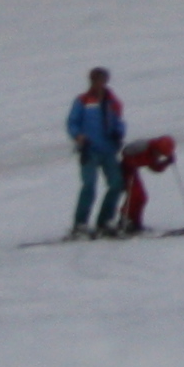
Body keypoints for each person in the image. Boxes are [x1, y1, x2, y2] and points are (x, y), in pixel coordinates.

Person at [66, 68, 128, 239]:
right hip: (89, 150)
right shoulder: (82, 100)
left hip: (108, 150)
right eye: (95, 80)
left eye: (101, 80)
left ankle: (105, 220)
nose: (98, 83)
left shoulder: (112, 101)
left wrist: (119, 132)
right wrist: (78, 136)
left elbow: (119, 121)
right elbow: (72, 122)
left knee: (116, 184)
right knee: (89, 185)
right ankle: (80, 223)